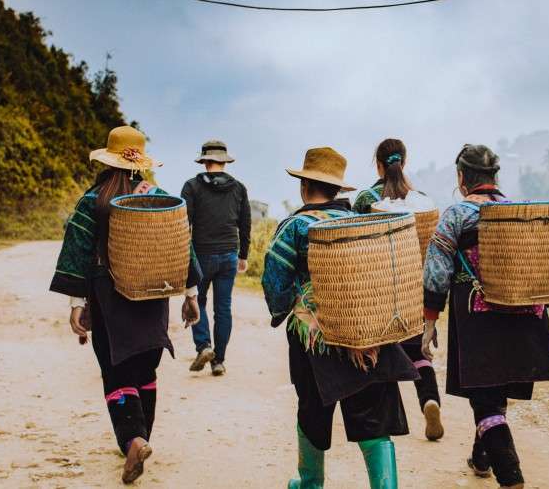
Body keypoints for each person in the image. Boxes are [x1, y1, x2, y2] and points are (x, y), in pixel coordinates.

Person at [49, 126, 202, 484]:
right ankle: (143, 436)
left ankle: (133, 439)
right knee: (146, 369)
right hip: (153, 293)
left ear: (109, 159)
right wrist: (191, 295)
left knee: (116, 370)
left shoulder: (94, 200)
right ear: (139, 162)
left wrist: (77, 302)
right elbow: (182, 244)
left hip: (109, 294)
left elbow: (78, 250)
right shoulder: (160, 197)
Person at [421, 144, 549, 489]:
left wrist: (429, 319)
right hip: (528, 317)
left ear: (462, 178)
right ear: (495, 177)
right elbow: (546, 266)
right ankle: (481, 458)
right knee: (495, 391)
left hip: (480, 317)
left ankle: (510, 475)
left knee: (486, 396)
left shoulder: (457, 215)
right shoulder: (521, 213)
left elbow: (436, 269)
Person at [262, 147, 418, 489]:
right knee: (374, 418)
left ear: (304, 186)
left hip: (317, 340)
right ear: (337, 190)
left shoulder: (295, 226)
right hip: (370, 334)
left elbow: (274, 283)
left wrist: (284, 309)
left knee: (313, 410)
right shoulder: (362, 222)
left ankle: (310, 483)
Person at [353, 138, 444, 441]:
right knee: (419, 352)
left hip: (378, 289)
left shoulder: (366, 198)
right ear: (403, 163)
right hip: (413, 289)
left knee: (379, 350)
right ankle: (429, 400)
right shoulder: (422, 200)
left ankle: (380, 424)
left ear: (378, 164)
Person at [181, 140, 251, 376]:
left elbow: (184, 224)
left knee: (197, 300)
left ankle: (204, 346)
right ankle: (218, 360)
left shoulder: (191, 187)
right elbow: (245, 224)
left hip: (201, 255)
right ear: (224, 161)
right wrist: (244, 255)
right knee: (223, 308)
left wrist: (182, 255)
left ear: (204, 161)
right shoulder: (239, 188)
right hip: (229, 254)